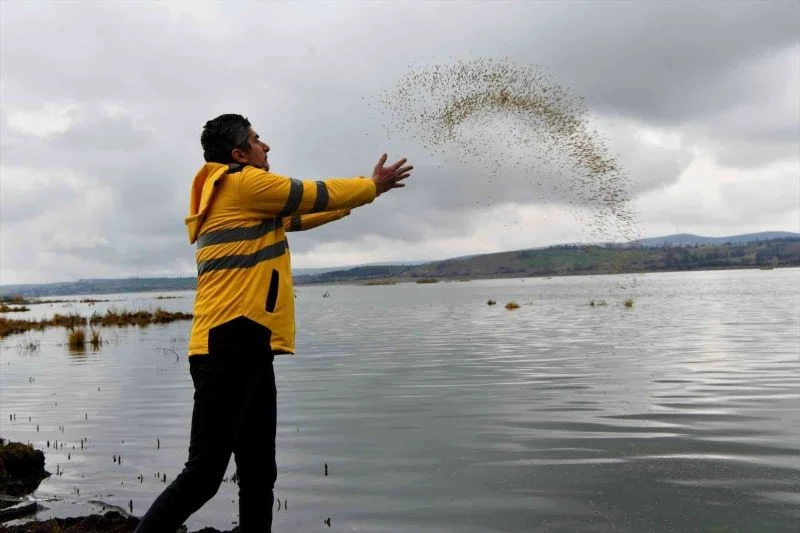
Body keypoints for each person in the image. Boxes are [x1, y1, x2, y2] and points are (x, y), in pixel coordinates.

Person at [134, 113, 413, 533]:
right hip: (228, 342)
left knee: (260, 470)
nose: (266, 146)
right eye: (257, 140)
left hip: (249, 342)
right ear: (238, 153)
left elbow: (310, 211)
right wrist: (371, 186)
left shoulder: (249, 203)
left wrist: (361, 196)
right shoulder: (243, 184)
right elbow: (310, 193)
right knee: (205, 475)